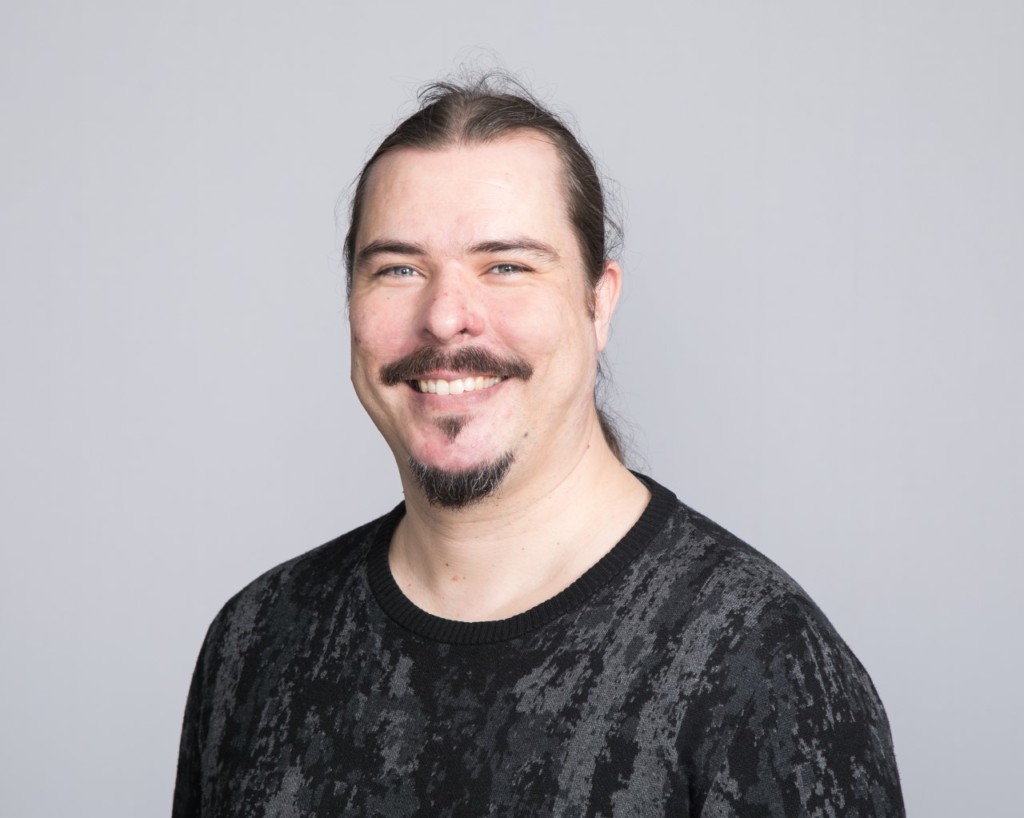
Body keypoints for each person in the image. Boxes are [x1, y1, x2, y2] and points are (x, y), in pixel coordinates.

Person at [172, 76, 904, 817]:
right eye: (399, 269)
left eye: (507, 266)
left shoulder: (761, 665)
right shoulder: (258, 639)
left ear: (599, 303)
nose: (446, 317)